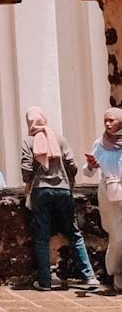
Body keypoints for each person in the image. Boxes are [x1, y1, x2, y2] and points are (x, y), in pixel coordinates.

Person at [22, 105, 98, 292]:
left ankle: (45, 281)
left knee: (41, 236)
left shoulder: (29, 141)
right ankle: (89, 276)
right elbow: (72, 165)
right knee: (74, 232)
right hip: (63, 190)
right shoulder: (59, 139)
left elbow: (25, 169)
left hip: (41, 190)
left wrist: (30, 178)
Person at [85, 107, 122, 292]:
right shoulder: (100, 144)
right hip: (108, 193)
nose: (108, 124)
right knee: (116, 236)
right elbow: (87, 171)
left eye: (112, 120)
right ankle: (116, 273)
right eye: (105, 120)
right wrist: (91, 166)